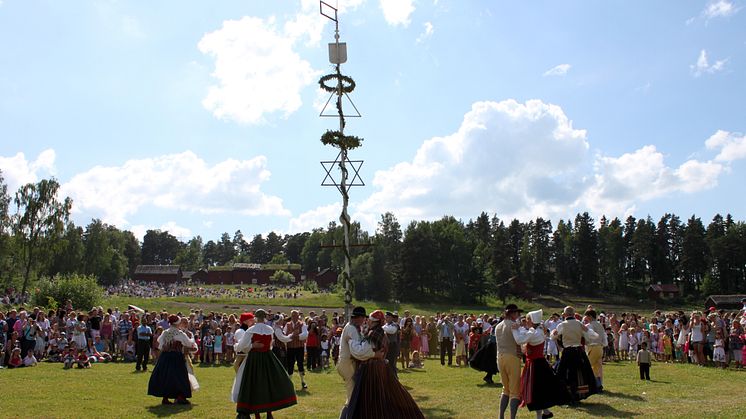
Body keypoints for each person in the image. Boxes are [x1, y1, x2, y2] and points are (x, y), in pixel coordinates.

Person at [342, 309, 424, 419]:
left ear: (375, 321)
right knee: (386, 395)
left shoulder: (374, 333)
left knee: (371, 398)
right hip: (380, 367)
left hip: (372, 369)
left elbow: (361, 351)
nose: (368, 322)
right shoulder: (380, 332)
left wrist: (350, 341)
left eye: (370, 320)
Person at [234, 309, 297, 419]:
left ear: (255, 317)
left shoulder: (251, 330)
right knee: (269, 384)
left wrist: (251, 346)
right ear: (264, 317)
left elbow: (242, 346)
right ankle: (269, 413)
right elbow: (270, 345)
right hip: (268, 358)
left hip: (254, 359)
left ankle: (257, 414)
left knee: (254, 385)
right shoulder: (269, 329)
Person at [518, 310, 570, 419]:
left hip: (535, 364)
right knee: (540, 390)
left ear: (532, 321)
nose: (526, 321)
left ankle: (540, 416)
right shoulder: (538, 331)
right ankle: (546, 412)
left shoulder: (535, 332)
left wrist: (516, 330)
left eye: (527, 319)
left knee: (537, 391)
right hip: (537, 363)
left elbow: (521, 340)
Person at [552, 306, 599, 403]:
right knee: (580, 372)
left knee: (564, 372)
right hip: (578, 351)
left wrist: (553, 333)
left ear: (565, 314)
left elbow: (553, 337)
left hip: (567, 351)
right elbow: (593, 336)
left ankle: (567, 394)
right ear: (574, 314)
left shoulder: (562, 325)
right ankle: (578, 394)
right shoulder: (579, 324)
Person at [148, 315, 198, 405]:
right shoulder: (179, 333)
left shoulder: (165, 332)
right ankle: (180, 396)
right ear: (177, 323)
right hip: (176, 357)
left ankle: (165, 397)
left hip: (165, 357)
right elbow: (189, 343)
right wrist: (192, 338)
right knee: (179, 377)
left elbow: (160, 344)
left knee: (165, 376)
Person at [337, 306, 377, 413]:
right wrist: (374, 354)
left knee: (352, 395)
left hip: (347, 363)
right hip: (347, 363)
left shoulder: (353, 327)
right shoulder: (351, 329)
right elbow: (358, 351)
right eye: (363, 317)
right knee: (352, 396)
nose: (364, 320)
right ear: (358, 318)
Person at [494, 304, 524, 419]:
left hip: (500, 357)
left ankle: (501, 416)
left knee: (505, 389)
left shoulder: (498, 326)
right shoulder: (514, 325)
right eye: (517, 313)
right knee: (515, 391)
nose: (518, 315)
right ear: (512, 313)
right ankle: (512, 417)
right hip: (512, 357)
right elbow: (520, 340)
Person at [283, 310, 308, 390]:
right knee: (290, 364)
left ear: (298, 316)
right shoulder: (288, 324)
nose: (294, 317)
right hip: (290, 347)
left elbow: (305, 334)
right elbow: (284, 333)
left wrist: (296, 336)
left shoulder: (302, 324)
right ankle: (289, 382)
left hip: (299, 347)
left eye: (296, 315)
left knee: (300, 364)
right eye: (293, 315)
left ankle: (303, 381)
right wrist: (291, 336)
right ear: (291, 316)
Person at [584, 309, 607, 391]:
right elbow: (604, 337)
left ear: (590, 316)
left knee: (588, 367)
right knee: (597, 367)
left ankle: (591, 385)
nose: (585, 318)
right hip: (600, 347)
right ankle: (599, 385)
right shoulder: (600, 325)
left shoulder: (589, 326)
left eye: (586, 316)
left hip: (592, 347)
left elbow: (588, 337)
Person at [383, 311, 401, 378]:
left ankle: (394, 379)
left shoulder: (394, 325)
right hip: (387, 346)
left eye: (387, 317)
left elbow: (391, 330)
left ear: (391, 318)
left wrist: (381, 327)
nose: (386, 318)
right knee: (387, 363)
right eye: (385, 317)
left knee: (392, 363)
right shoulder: (386, 325)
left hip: (392, 346)